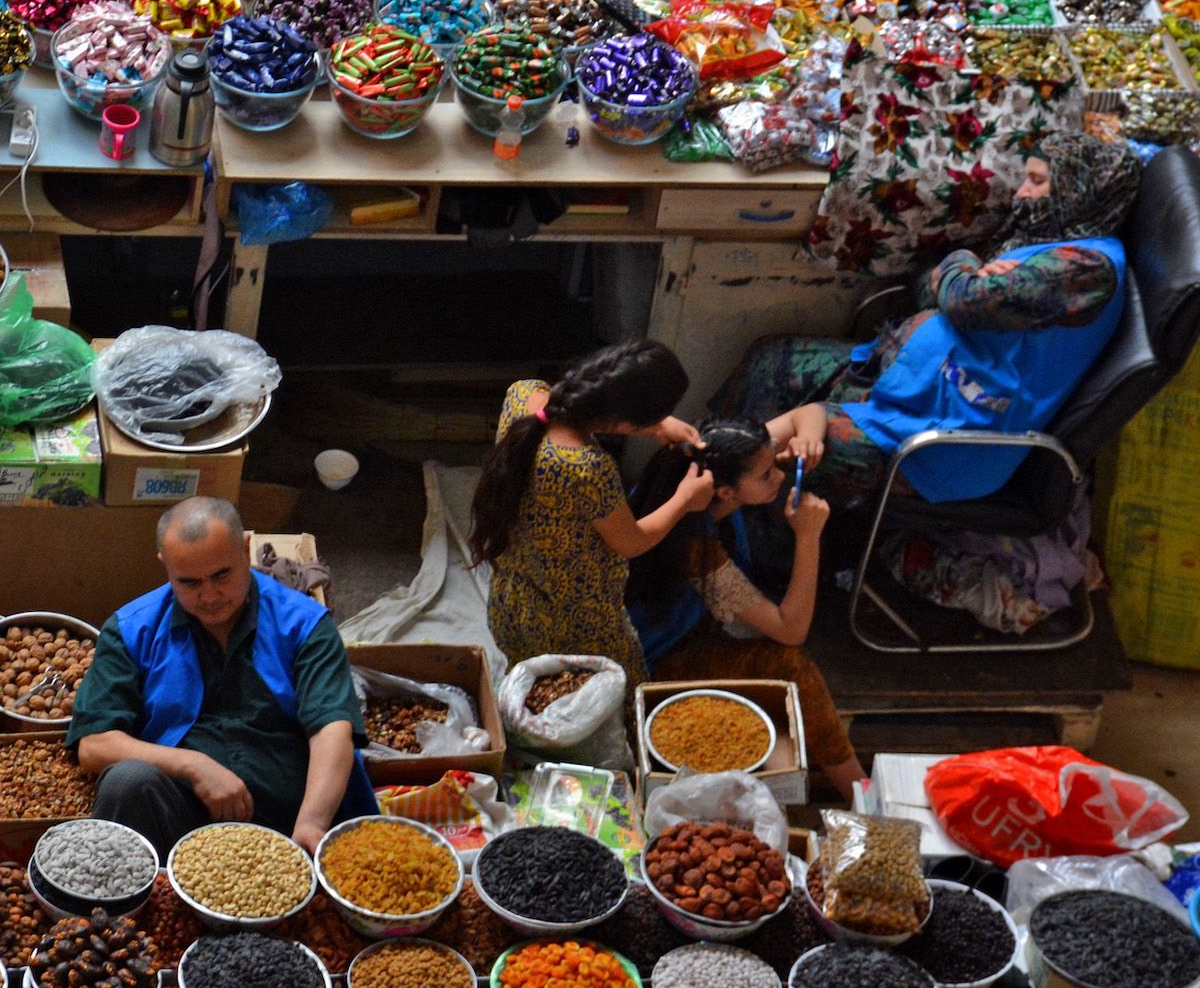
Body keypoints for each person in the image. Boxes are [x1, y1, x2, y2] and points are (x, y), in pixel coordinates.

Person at [717, 131, 1142, 507]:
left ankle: (742, 547)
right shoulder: (1039, 239)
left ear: (1078, 191)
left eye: (1037, 182)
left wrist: (962, 264)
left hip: (938, 438)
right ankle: (719, 492)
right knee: (769, 360)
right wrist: (962, 273)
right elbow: (929, 284)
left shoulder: (1085, 270)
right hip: (909, 384)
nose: (1021, 194)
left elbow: (961, 299)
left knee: (774, 457)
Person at [69, 496, 375, 855]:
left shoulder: (303, 624)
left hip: (290, 820)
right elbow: (94, 743)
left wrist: (312, 823)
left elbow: (331, 727)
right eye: (189, 583)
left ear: (246, 549)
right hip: (180, 818)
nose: (209, 596)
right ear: (164, 566)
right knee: (126, 782)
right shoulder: (132, 629)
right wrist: (194, 766)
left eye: (221, 575)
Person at [625, 420, 866, 801]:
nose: (779, 476)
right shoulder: (695, 546)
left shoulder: (716, 458)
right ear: (724, 491)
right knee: (790, 664)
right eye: (767, 474)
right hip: (664, 659)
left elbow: (810, 412)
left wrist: (809, 438)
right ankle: (862, 795)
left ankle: (848, 788)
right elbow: (791, 629)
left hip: (702, 625)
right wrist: (808, 536)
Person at [470, 340, 710, 686]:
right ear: (625, 421)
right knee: (612, 693)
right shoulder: (586, 468)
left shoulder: (523, 396)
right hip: (570, 620)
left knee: (536, 690)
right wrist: (685, 499)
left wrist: (656, 424)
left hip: (513, 603)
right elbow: (632, 541)